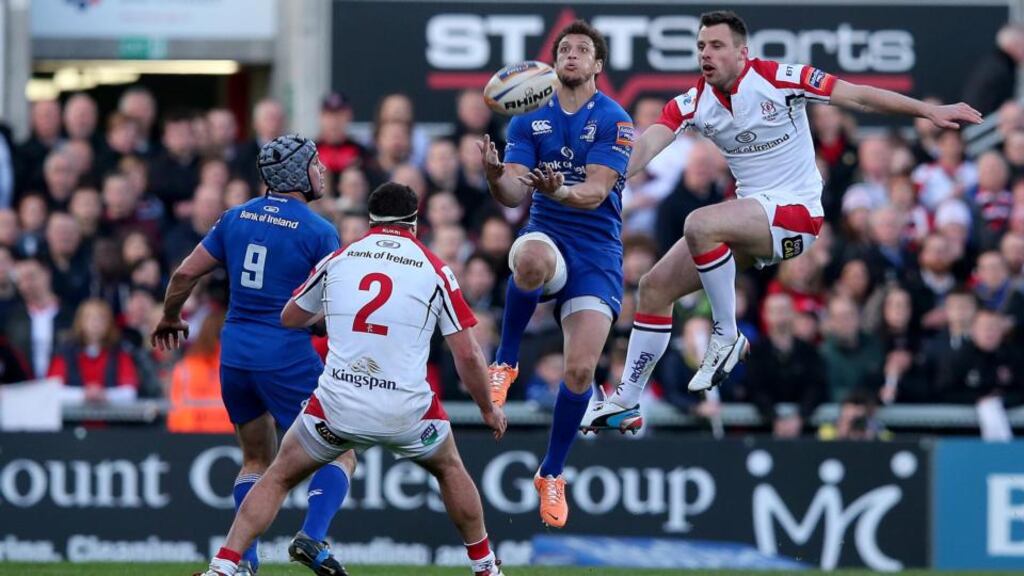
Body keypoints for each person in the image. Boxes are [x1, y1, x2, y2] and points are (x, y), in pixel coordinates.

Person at [581, 9, 981, 430]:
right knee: (653, 288)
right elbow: (646, 147)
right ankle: (627, 398)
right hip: (750, 222)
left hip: (798, 215)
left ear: (742, 53)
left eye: (717, 46)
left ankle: (727, 334)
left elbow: (858, 95)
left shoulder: (779, 79)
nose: (706, 54)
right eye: (701, 46)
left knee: (700, 223)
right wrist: (604, 178)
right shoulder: (693, 102)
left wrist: (928, 112)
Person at [197, 183, 507, 576]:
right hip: (405, 408)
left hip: (338, 405)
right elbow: (467, 353)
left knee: (276, 476)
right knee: (449, 468)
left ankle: (223, 567)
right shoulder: (434, 267)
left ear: (372, 218)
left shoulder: (341, 258)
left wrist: (328, 319)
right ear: (415, 220)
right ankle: (484, 566)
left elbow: (290, 316)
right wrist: (487, 408)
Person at [152, 135, 353, 576]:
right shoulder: (320, 231)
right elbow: (330, 308)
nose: (322, 171)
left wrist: (169, 316)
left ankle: (244, 562)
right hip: (284, 355)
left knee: (256, 460)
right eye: (316, 164)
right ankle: (313, 538)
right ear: (299, 173)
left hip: (236, 353)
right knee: (340, 449)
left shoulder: (234, 218)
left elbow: (186, 273)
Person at [477, 19, 634, 528]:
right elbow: (514, 194)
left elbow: (593, 192)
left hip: (596, 252)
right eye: (564, 48)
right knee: (530, 260)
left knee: (581, 372)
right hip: (550, 236)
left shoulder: (615, 118)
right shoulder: (526, 120)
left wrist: (558, 189)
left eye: (581, 49)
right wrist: (495, 176)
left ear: (597, 65)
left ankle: (551, 472)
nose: (570, 55)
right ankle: (504, 362)